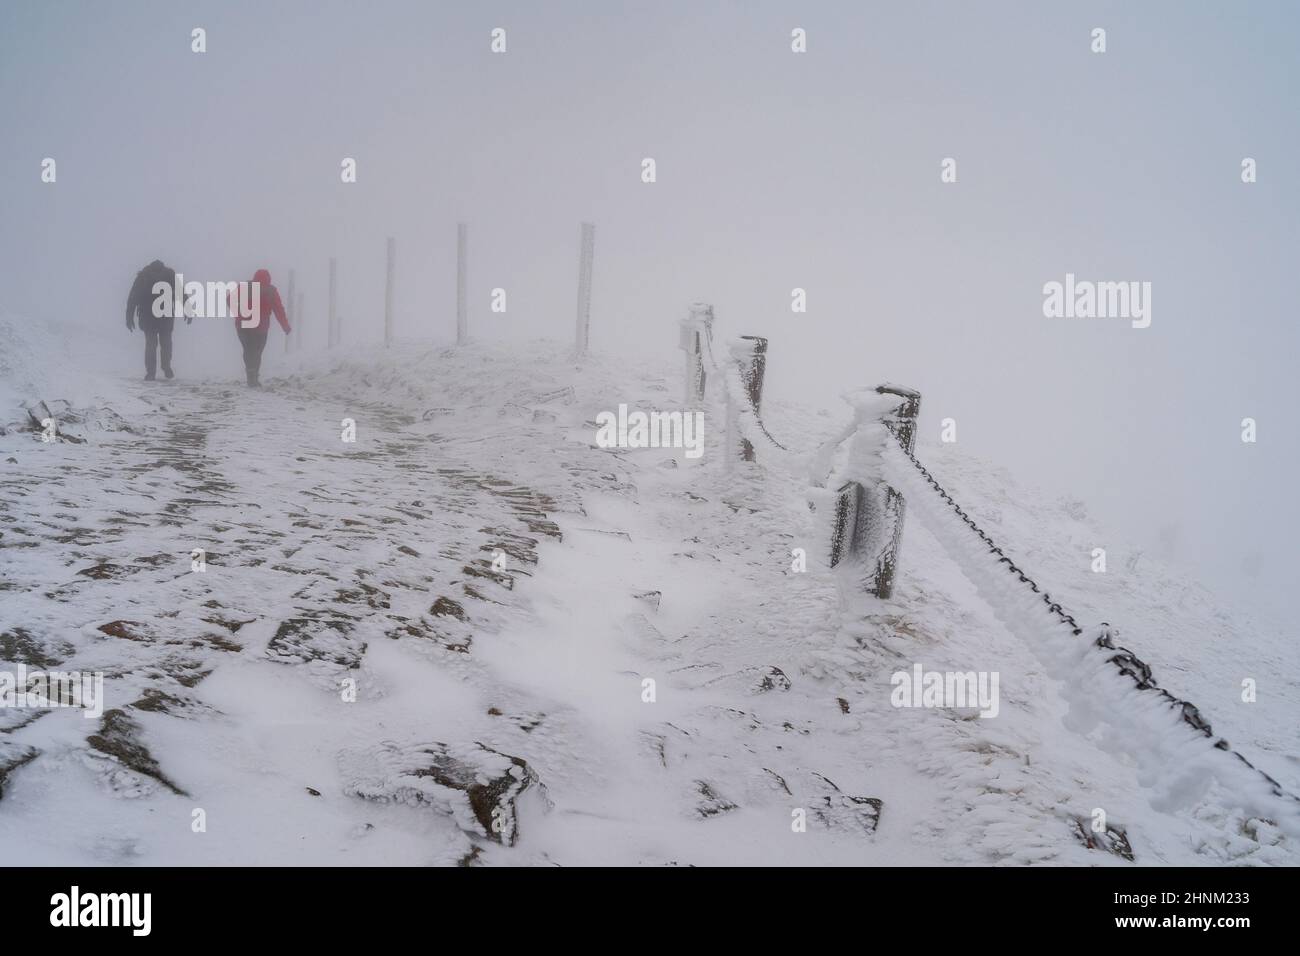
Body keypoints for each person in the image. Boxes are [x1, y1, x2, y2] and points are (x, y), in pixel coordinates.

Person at [125, 259, 188, 381]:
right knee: (165, 343)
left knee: (152, 344)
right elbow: (181, 293)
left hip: (149, 317)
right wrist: (188, 310)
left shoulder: (143, 275)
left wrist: (129, 317)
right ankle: (165, 367)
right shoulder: (169, 275)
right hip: (164, 316)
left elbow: (133, 297)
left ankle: (152, 372)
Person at [230, 268, 290, 387]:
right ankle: (254, 376)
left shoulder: (244, 287)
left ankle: (251, 375)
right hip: (260, 328)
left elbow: (229, 300)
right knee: (257, 352)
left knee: (248, 350)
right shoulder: (271, 291)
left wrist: (238, 312)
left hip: (243, 326)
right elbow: (279, 309)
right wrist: (285, 326)